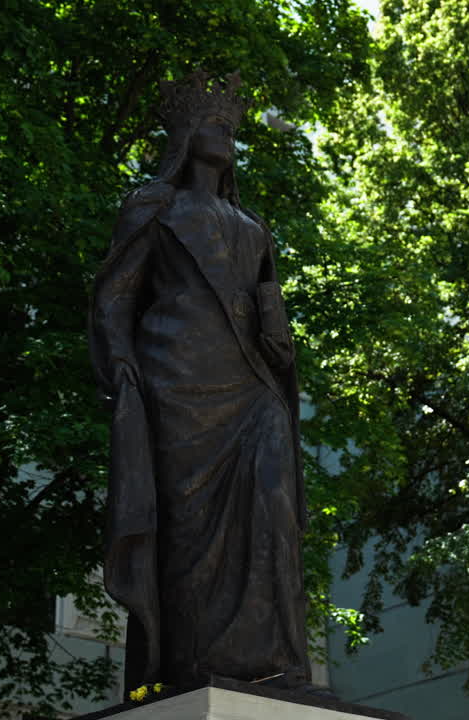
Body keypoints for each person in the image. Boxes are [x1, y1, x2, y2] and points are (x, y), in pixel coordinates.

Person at [89, 71, 311, 695]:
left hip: (252, 382)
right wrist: (121, 367)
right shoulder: (152, 206)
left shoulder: (253, 225)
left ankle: (274, 658)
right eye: (213, 124)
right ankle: (194, 661)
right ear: (186, 135)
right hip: (177, 381)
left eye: (231, 126)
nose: (225, 133)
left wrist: (279, 340)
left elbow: (268, 306)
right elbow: (115, 298)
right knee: (188, 527)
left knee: (273, 503)